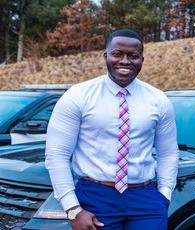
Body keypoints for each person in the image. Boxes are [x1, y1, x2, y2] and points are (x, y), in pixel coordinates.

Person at [45, 29, 179, 230]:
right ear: (106, 55)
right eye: (118, 54)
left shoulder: (158, 100)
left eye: (133, 56)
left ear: (142, 59)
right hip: (95, 197)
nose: (125, 61)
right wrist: (72, 209)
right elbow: (57, 155)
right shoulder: (78, 96)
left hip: (146, 200)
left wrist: (164, 196)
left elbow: (168, 153)